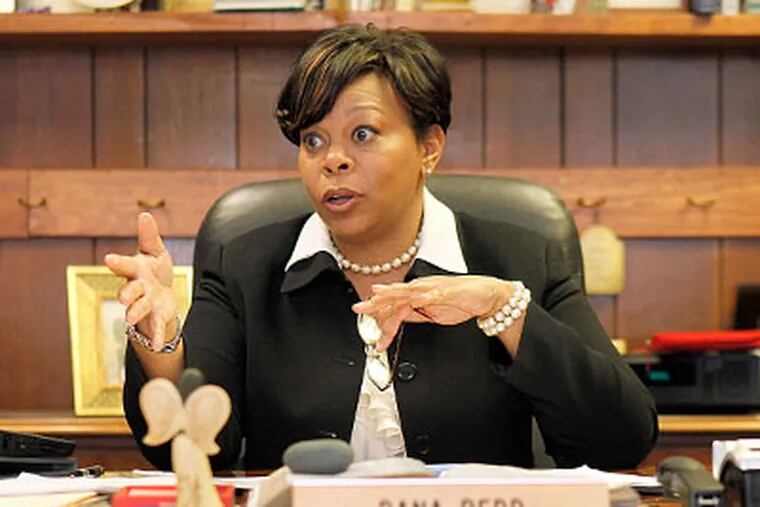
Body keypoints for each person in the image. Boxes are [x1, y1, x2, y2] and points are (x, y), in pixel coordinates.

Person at [106, 24, 657, 472]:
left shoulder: (520, 260)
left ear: (429, 147)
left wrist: (504, 311)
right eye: (313, 140)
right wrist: (161, 344)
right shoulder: (245, 266)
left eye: (362, 134)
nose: (333, 160)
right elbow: (195, 454)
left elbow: (620, 442)